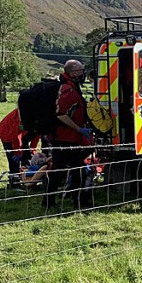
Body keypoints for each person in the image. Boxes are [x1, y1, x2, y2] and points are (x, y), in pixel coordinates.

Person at [45, 59, 93, 208]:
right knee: (75, 170)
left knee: (60, 170)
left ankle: (50, 200)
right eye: (81, 71)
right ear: (73, 73)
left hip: (68, 137)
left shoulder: (72, 87)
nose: (83, 73)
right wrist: (78, 129)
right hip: (65, 138)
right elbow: (61, 114)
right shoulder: (67, 89)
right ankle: (78, 201)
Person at [0, 108, 26, 185]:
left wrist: (33, 149)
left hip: (19, 131)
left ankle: (26, 179)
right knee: (13, 159)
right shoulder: (20, 115)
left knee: (26, 155)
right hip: (6, 133)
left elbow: (36, 134)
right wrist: (17, 152)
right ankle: (14, 181)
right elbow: (15, 136)